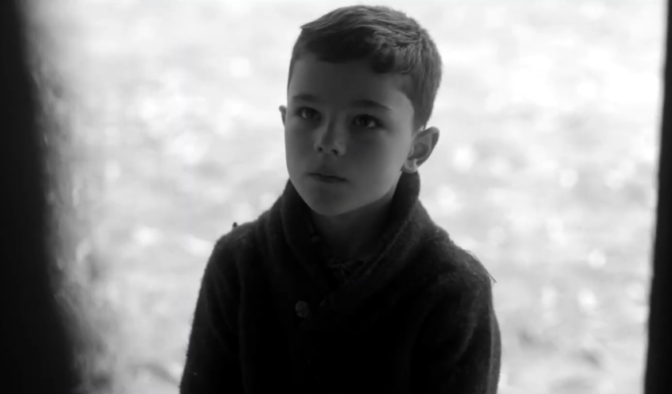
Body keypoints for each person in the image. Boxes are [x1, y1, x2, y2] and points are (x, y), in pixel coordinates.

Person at [180, 5, 501, 393]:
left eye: (364, 121)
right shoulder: (239, 266)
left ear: (417, 149)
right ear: (284, 120)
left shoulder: (453, 293)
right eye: (309, 113)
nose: (328, 142)